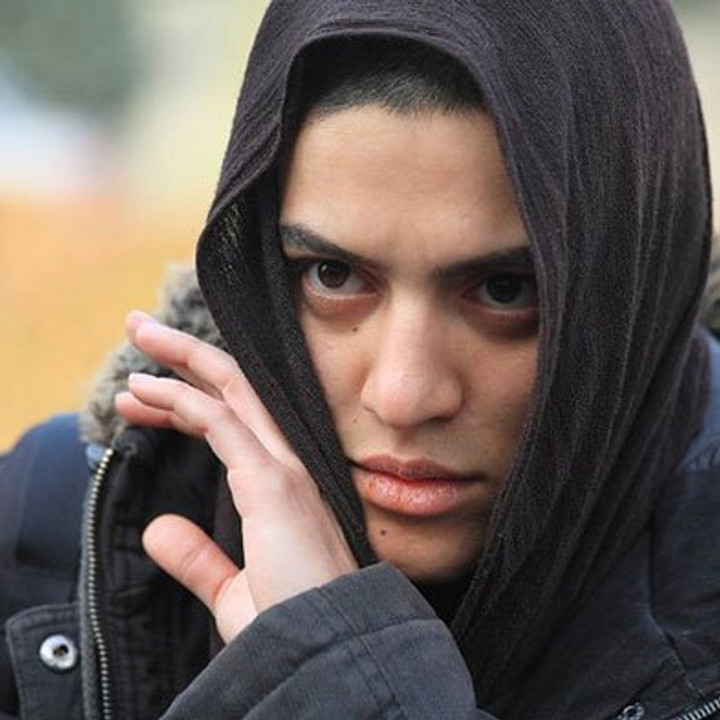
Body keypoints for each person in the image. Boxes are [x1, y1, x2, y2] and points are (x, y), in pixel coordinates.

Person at [1, 1, 718, 718]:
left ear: (639, 287)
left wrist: (329, 677)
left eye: (506, 290)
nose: (404, 396)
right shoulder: (49, 523)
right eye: (334, 276)